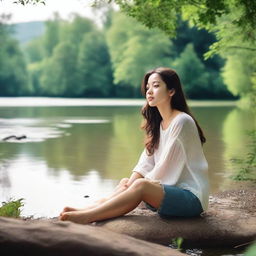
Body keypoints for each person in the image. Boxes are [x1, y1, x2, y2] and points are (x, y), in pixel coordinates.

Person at [59, 67, 209, 224]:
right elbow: (145, 163)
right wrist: (129, 185)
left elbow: (166, 167)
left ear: (171, 91)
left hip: (191, 198)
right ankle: (91, 208)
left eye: (156, 86)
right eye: (147, 87)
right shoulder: (159, 124)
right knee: (127, 182)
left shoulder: (181, 121)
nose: (149, 91)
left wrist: (135, 187)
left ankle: (89, 217)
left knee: (140, 185)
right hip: (169, 195)